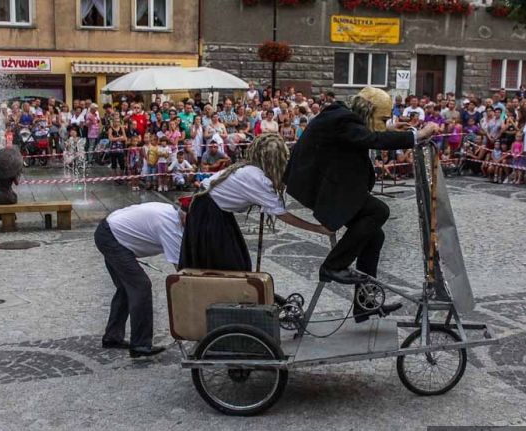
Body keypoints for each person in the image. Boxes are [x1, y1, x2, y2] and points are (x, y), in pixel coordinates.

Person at [285, 87, 439, 323]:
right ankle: (333, 265)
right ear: (368, 111)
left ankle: (365, 305)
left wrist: (389, 128)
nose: (384, 124)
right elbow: (370, 138)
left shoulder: (346, 119)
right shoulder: (342, 119)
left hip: (331, 183)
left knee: (374, 236)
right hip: (322, 186)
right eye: (383, 119)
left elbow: (365, 133)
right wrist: (416, 136)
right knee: (379, 211)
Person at [180, 133, 330, 271]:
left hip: (212, 208)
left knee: (237, 259)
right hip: (207, 212)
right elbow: (281, 214)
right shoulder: (257, 177)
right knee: (228, 263)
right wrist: (318, 229)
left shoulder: (251, 170)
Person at [95, 202, 184, 358]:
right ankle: (140, 345)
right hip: (112, 237)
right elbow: (181, 268)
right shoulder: (170, 225)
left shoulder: (171, 213)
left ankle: (112, 337)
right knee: (141, 286)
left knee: (125, 288)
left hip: (108, 230)